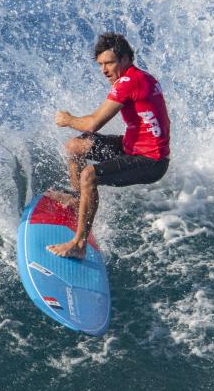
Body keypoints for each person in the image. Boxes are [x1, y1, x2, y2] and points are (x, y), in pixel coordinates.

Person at [47, 32, 171, 259]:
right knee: (75, 146)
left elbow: (93, 123)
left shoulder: (128, 81)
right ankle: (78, 199)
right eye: (100, 64)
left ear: (125, 59)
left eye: (109, 63)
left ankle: (79, 244)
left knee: (89, 176)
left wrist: (68, 119)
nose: (104, 70)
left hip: (150, 160)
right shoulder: (142, 77)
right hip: (132, 145)